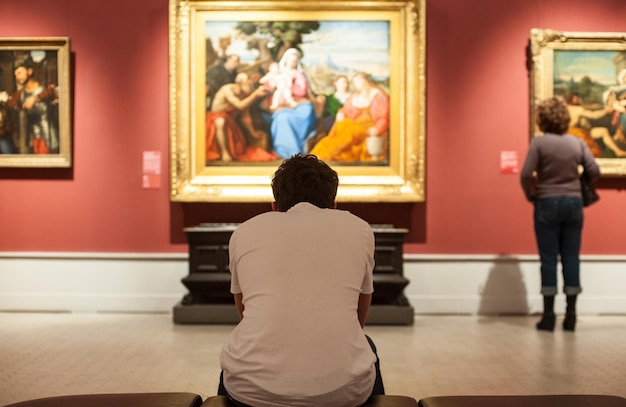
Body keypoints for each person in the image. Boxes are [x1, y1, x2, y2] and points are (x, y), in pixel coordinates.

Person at [218, 154, 385, 407]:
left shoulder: (244, 231)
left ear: (274, 206)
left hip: (249, 391)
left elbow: (244, 312)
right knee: (365, 345)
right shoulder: (360, 229)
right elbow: (358, 318)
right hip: (343, 393)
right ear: (334, 205)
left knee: (239, 355)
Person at [520, 96, 600, 332]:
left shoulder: (539, 143)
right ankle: (571, 314)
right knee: (571, 257)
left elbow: (525, 174)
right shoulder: (577, 142)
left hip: (546, 202)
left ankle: (548, 316)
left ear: (542, 119)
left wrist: (530, 194)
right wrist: (577, 180)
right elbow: (594, 170)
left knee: (548, 259)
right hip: (574, 203)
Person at [310, 72, 389, 162]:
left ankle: (324, 155)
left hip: (369, 125)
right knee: (340, 127)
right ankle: (317, 154)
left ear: (366, 81)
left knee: (350, 132)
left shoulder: (377, 95)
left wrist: (378, 129)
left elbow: (383, 116)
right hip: (357, 122)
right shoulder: (357, 95)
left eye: (359, 81)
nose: (357, 85)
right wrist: (341, 113)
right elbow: (347, 109)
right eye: (355, 82)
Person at [205, 72, 276, 162]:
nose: (250, 82)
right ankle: (224, 153)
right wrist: (255, 95)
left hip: (229, 122)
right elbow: (240, 105)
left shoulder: (244, 94)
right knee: (220, 121)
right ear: (240, 82)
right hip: (214, 119)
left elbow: (245, 115)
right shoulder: (227, 89)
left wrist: (252, 132)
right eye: (247, 80)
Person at [269, 48, 318, 158]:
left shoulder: (301, 74)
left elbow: (308, 91)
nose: (292, 62)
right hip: (283, 105)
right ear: (286, 60)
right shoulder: (279, 73)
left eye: (295, 60)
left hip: (300, 103)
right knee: (282, 118)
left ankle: (302, 147)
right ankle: (287, 151)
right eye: (290, 59)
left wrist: (314, 101)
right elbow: (271, 87)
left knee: (308, 110)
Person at [6, 57, 58, 154]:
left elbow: (52, 92)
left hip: (49, 138)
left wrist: (35, 98)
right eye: (15, 75)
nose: (17, 77)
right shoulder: (20, 94)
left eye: (20, 73)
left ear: (29, 71)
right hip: (33, 140)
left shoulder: (44, 89)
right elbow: (10, 102)